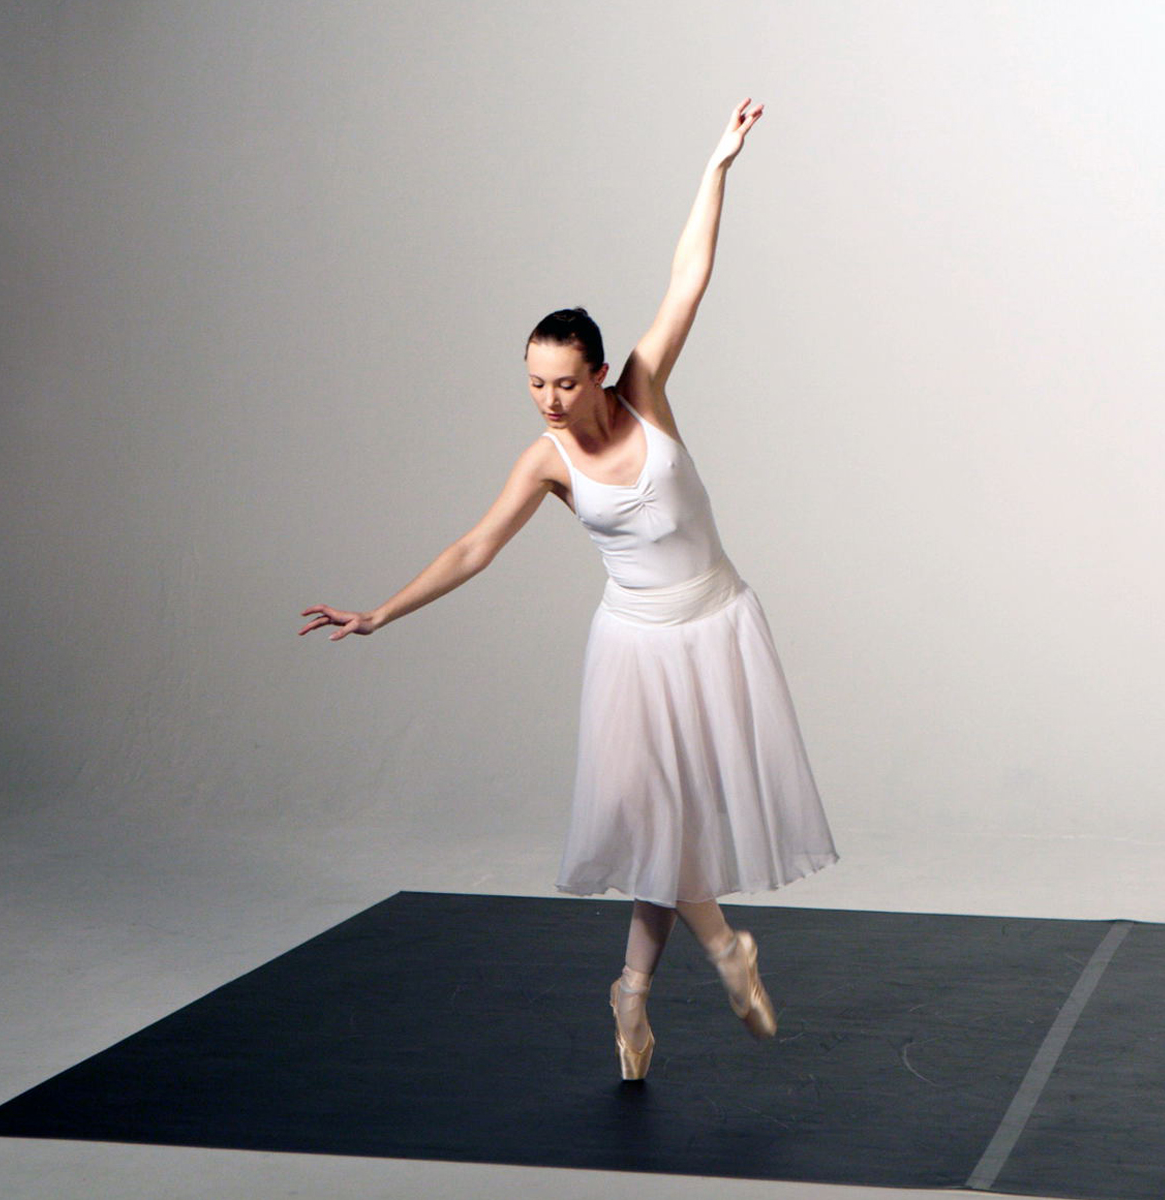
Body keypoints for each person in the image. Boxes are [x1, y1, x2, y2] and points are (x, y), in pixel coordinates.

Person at [299, 98, 838, 1082]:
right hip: (633, 648)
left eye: (561, 381)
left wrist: (716, 166)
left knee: (663, 836)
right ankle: (726, 951)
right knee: (654, 825)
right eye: (533, 384)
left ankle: (632, 995)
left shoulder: (645, 392)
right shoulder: (545, 463)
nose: (547, 399)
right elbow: (474, 548)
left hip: (712, 627)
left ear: (595, 373)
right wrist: (381, 609)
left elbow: (689, 279)